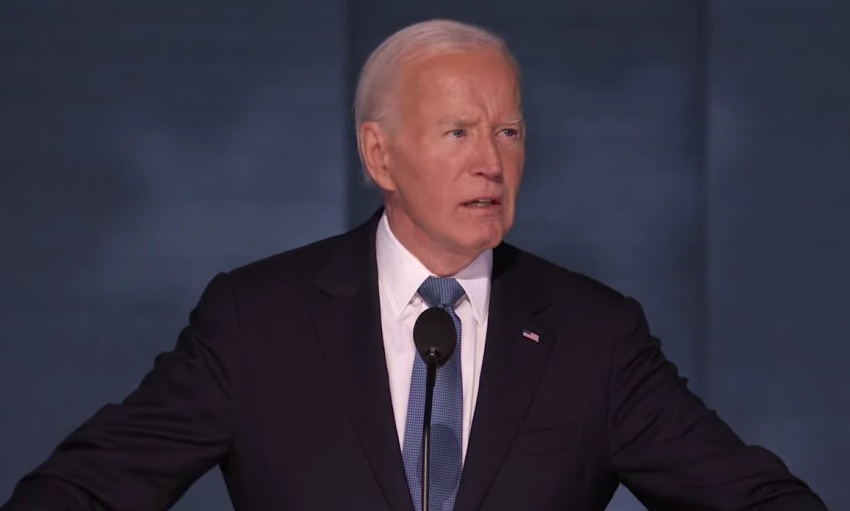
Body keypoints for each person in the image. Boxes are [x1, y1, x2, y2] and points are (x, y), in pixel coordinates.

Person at [1, 18, 827, 511]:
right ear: (380, 155)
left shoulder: (593, 335)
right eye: (459, 132)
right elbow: (83, 490)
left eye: (508, 132)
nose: (492, 163)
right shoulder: (258, 322)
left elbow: (757, 499)